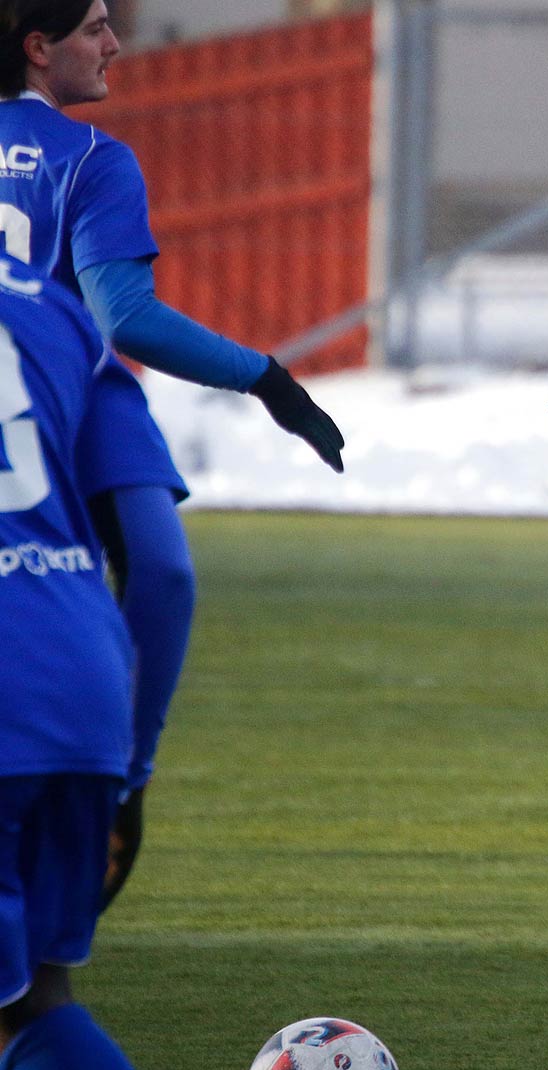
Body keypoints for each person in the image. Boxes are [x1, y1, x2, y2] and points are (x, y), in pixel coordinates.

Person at [0, 0, 347, 909]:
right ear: (38, 49)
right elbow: (125, 319)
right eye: (94, 28)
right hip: (58, 398)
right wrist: (268, 378)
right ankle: (116, 788)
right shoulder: (89, 161)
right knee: (36, 1001)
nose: (116, 43)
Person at [0, 255, 180, 1070]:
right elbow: (162, 570)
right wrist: (132, 770)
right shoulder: (59, 314)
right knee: (32, 997)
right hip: (79, 693)